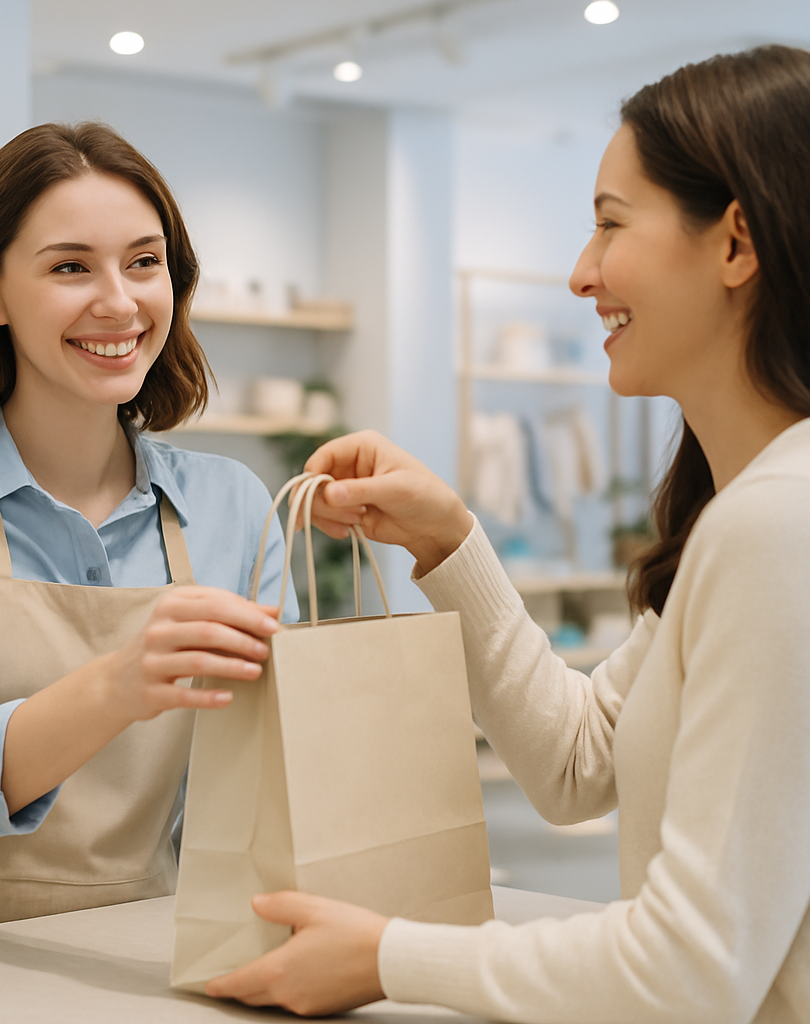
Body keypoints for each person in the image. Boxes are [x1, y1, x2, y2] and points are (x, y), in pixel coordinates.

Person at [206, 45, 810, 1023]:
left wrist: (387, 957)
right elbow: (579, 765)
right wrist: (449, 542)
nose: (580, 274)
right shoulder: (739, 518)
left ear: (735, 243)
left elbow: (690, 970)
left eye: (609, 225)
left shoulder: (779, 523)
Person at [0, 122, 296, 942]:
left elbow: (278, 780)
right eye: (70, 266)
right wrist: (117, 686)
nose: (118, 301)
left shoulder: (234, 505)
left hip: (156, 959)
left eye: (144, 262)